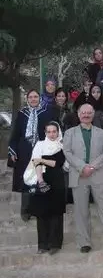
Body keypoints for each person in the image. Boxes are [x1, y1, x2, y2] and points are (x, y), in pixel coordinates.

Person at [63, 104, 103, 253]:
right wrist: (82, 167)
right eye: (83, 112)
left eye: (89, 113)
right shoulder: (70, 133)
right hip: (78, 176)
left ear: (93, 115)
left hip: (97, 175)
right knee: (81, 210)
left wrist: (91, 167)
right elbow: (67, 152)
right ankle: (84, 242)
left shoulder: (101, 133)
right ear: (78, 115)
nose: (86, 115)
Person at [8, 89, 54, 221]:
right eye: (31, 97)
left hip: (41, 150)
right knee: (26, 179)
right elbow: (16, 133)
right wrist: (13, 150)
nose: (33, 99)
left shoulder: (46, 112)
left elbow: (51, 132)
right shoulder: (22, 113)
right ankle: (25, 210)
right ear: (27, 99)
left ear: (39, 98)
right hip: (24, 151)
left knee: (41, 178)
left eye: (36, 97)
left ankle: (39, 209)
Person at [24, 122, 66, 255]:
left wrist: (42, 160)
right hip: (42, 179)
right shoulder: (40, 145)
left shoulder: (62, 145)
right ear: (45, 133)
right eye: (49, 132)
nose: (52, 134)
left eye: (54, 131)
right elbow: (35, 162)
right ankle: (42, 244)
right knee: (42, 213)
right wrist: (40, 180)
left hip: (57, 180)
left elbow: (58, 162)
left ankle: (55, 244)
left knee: (56, 213)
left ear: (58, 132)